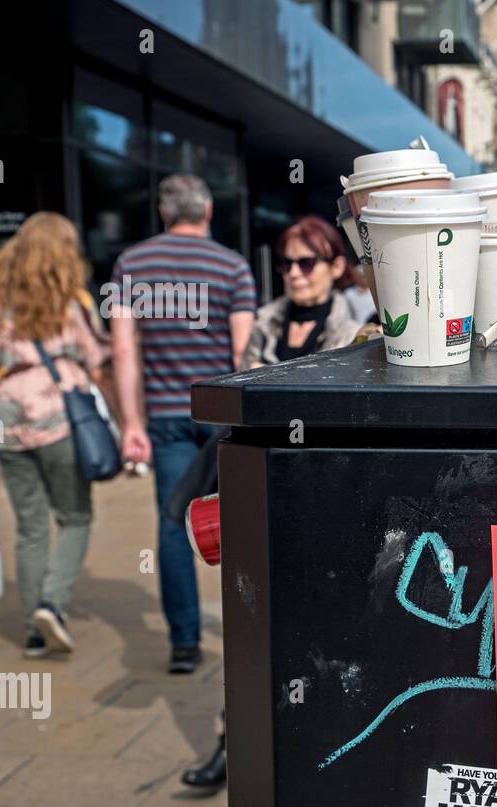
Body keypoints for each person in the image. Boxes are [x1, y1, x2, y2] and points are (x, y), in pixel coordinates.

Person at [110, 173, 256, 673]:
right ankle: (252, 629)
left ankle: (185, 644)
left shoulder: (131, 264)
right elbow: (244, 353)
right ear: (209, 211)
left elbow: (123, 350)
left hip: (166, 416)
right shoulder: (232, 265)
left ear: (163, 212)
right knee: (239, 521)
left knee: (175, 523)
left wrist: (131, 422)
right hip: (218, 415)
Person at [0, 212, 110, 657]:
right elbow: (98, 364)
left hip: (6, 419)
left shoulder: (1, 305)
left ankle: (32, 631)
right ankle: (52, 602)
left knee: (29, 527)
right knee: (76, 517)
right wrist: (124, 422)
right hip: (58, 417)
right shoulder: (72, 305)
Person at [241, 216, 365, 370]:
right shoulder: (262, 324)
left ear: (336, 267)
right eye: (286, 263)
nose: (293, 273)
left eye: (306, 263)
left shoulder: (355, 337)